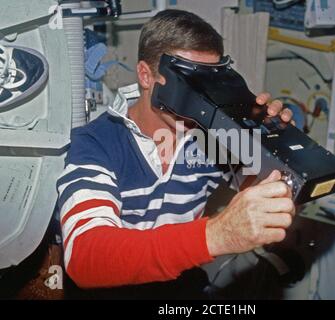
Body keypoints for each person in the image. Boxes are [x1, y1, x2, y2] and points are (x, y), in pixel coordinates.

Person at [56, 9, 295, 291]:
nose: (199, 102)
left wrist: (272, 139)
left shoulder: (209, 136)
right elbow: (86, 257)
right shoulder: (96, 143)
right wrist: (215, 235)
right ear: (146, 76)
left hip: (180, 284)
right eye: (188, 86)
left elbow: (274, 192)